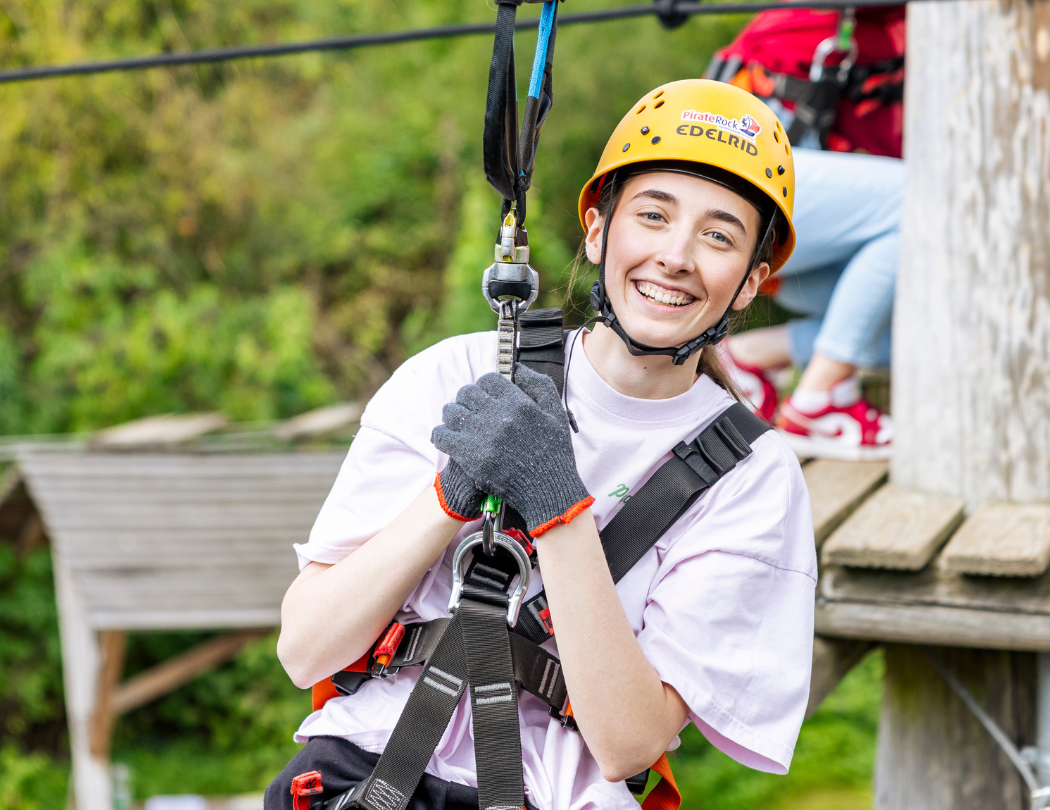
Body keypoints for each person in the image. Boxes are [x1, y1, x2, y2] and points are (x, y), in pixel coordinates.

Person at [266, 80, 816, 810]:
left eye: (718, 236)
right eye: (652, 216)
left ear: (750, 282)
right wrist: (449, 496)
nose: (676, 256)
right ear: (598, 232)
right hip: (363, 775)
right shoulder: (458, 373)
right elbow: (306, 648)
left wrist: (560, 506)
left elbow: (628, 741)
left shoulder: (750, 479)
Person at [703, 5, 905, 460]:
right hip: (747, 172)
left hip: (808, 248)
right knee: (918, 200)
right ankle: (818, 399)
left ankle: (751, 356)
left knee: (924, 320)